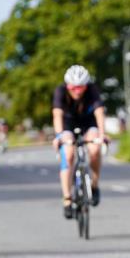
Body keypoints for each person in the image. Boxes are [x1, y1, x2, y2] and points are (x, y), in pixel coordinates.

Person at [52, 65, 107, 219]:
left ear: (86, 85)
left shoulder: (92, 90)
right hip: (68, 124)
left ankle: (94, 185)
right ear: (67, 85)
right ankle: (67, 199)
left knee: (95, 150)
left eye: (81, 87)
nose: (77, 91)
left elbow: (99, 113)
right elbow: (57, 115)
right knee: (68, 153)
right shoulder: (60, 91)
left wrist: (102, 135)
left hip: (88, 123)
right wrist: (59, 136)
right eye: (73, 87)